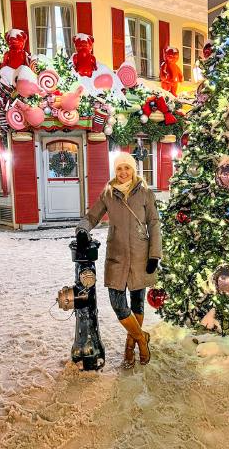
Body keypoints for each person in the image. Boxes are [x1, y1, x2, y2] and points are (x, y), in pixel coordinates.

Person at [75, 152, 161, 368]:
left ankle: (130, 347)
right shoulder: (108, 193)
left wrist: (154, 255)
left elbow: (154, 224)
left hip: (140, 255)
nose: (123, 172)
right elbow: (92, 216)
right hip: (117, 256)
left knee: (137, 303)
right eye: (119, 168)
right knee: (118, 304)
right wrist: (82, 230)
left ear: (134, 170)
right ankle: (142, 339)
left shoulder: (145, 193)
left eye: (127, 168)